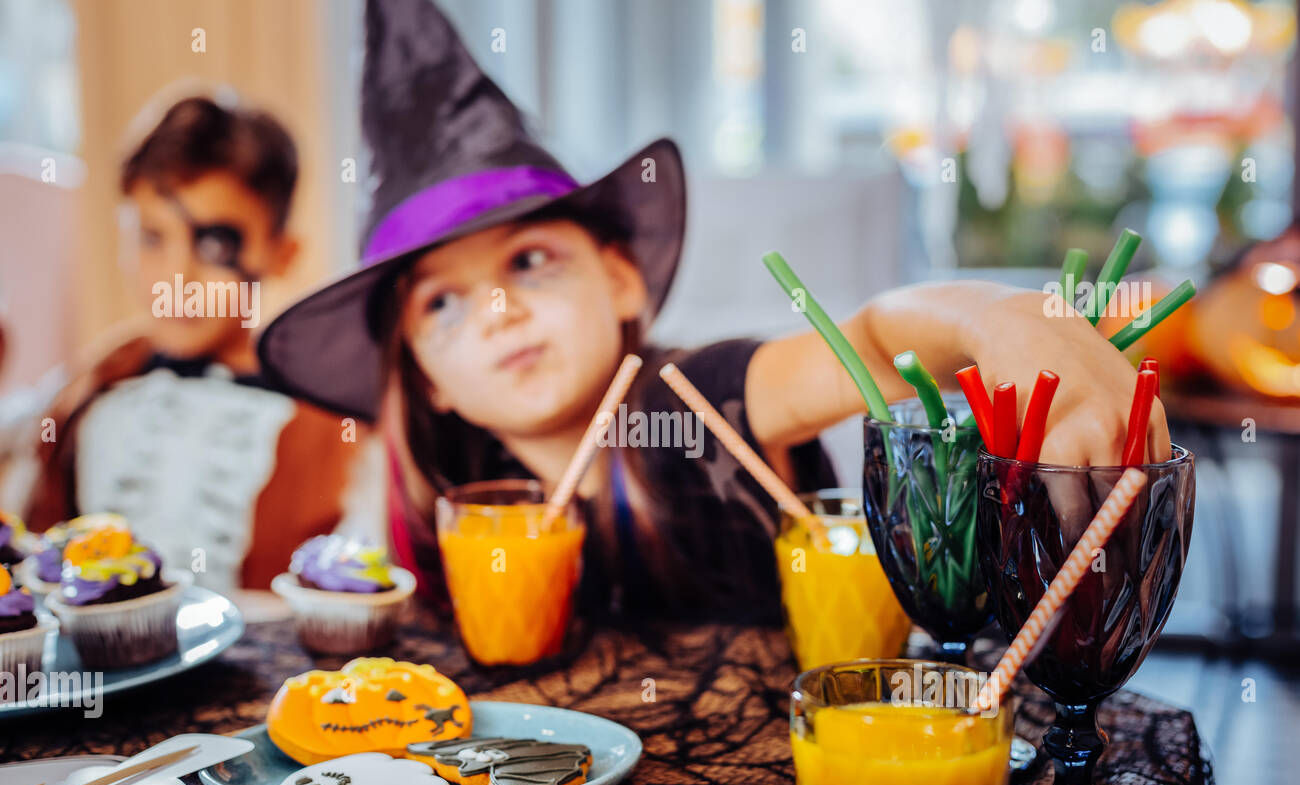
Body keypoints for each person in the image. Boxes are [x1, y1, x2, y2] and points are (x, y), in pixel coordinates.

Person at [258, 0, 1169, 624]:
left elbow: (881, 337)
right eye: (444, 304)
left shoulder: (699, 400)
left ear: (621, 283)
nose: (496, 312)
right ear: (424, 377)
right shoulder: (451, 494)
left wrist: (1007, 321)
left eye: (530, 262)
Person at [21, 94, 363, 592]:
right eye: (152, 238)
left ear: (282, 253)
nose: (176, 278)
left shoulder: (325, 420)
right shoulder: (96, 383)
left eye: (214, 244)